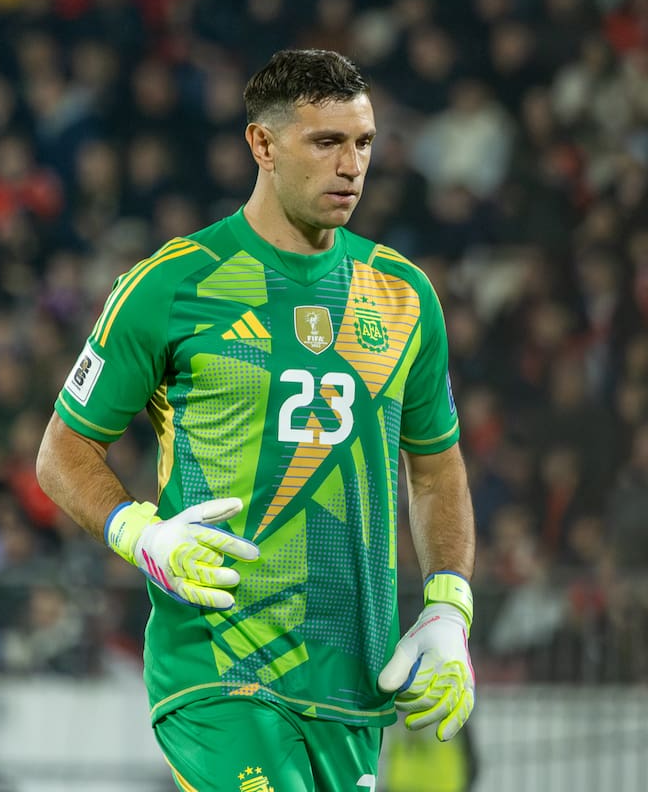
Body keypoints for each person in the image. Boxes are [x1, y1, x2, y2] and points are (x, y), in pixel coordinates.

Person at [36, 49, 477, 791]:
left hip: (352, 684)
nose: (351, 167)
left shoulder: (405, 296)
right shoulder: (171, 284)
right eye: (327, 142)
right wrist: (142, 534)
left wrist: (449, 609)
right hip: (218, 668)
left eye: (363, 143)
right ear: (262, 145)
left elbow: (435, 466)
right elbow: (61, 451)